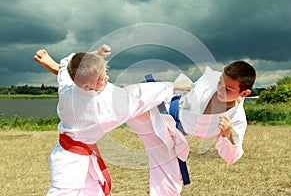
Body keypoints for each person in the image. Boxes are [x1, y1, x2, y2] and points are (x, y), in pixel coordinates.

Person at [33, 45, 191, 196]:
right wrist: (175, 86)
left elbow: (68, 64)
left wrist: (96, 55)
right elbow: (138, 95)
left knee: (93, 191)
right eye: (101, 78)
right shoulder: (102, 108)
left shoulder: (68, 85)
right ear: (87, 85)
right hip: (69, 162)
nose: (107, 78)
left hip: (69, 149)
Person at [170, 61, 256, 164]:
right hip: (169, 105)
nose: (220, 89)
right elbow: (190, 88)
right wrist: (175, 86)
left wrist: (227, 134)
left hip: (176, 131)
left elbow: (232, 158)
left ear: (244, 93)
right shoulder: (212, 78)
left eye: (228, 89)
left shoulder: (236, 119)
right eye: (220, 82)